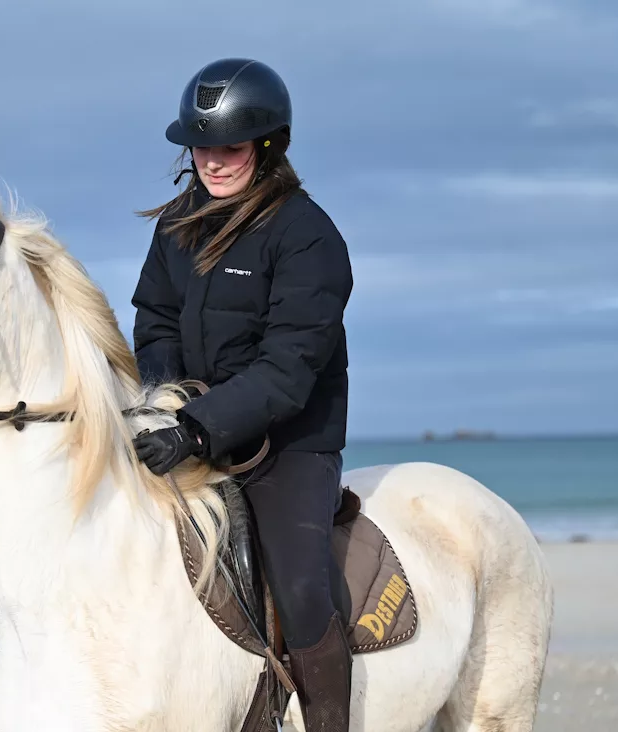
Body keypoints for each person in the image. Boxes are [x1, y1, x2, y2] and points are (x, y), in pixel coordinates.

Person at [130, 58, 355, 730]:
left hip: (288, 446)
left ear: (267, 145)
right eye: (201, 146)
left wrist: (198, 428)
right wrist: (168, 401)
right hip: (190, 426)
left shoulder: (308, 235)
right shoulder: (176, 225)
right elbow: (155, 320)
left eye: (229, 146)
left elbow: (290, 367)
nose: (213, 161)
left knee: (302, 585)